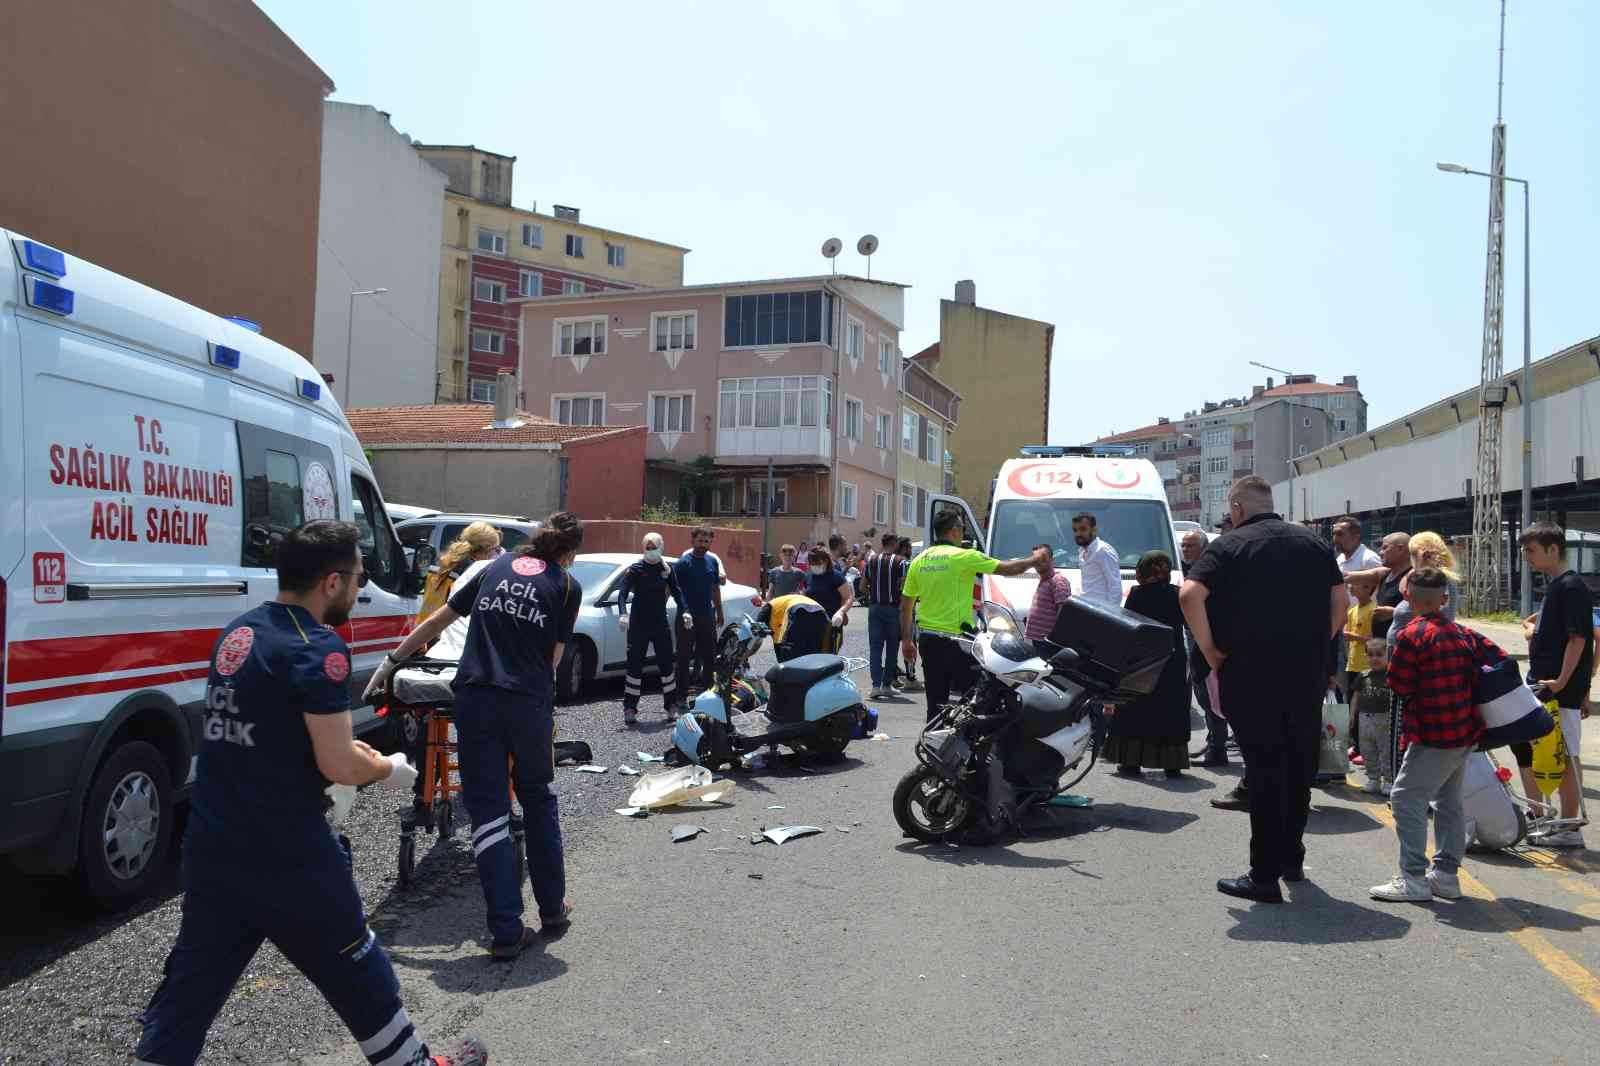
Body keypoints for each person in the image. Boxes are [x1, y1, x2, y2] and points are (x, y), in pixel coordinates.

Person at [137, 521, 487, 1066]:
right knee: (360, 970)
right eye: (357, 578)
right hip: (289, 855)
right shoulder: (317, 649)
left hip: (214, 848)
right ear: (331, 582)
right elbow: (337, 760)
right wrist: (389, 768)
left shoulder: (239, 632)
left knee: (190, 989)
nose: (358, 588)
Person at [370, 513, 583, 959]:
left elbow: (436, 624)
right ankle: (552, 910)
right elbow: (553, 659)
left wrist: (391, 663)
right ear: (569, 553)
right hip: (526, 703)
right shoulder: (566, 586)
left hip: (476, 701)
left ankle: (506, 930)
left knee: (488, 812)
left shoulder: (492, 569)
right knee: (538, 797)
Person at [1181, 476, 1348, 904]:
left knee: (1265, 771)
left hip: (1251, 675)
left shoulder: (1229, 546)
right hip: (1306, 674)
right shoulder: (1313, 544)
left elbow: (1190, 595)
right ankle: (1291, 858)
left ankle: (1263, 876)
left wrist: (1211, 650)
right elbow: (1341, 601)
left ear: (1237, 508)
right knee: (1297, 767)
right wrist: (1319, 642)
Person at [1372, 568, 1508, 901]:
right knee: (1448, 800)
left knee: (1405, 797)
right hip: (1465, 731)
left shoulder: (1410, 635)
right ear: (1445, 600)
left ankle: (1413, 878)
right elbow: (1499, 662)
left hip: (1432, 733)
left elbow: (1398, 683)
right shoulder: (1465, 633)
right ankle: (1446, 875)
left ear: (1408, 597)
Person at [901, 510, 1048, 722]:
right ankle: (969, 747)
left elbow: (906, 605)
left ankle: (934, 746)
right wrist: (1034, 559)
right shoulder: (965, 556)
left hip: (928, 640)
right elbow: (1007, 569)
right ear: (953, 531)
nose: (963, 533)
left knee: (935, 701)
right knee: (977, 698)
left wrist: (906, 640)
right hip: (957, 641)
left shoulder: (919, 560)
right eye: (961, 528)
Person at [1518, 522, 1592, 848]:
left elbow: (1580, 640)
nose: (1526, 556)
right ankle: (1550, 816)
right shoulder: (1557, 586)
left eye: (1531, 550)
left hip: (1558, 688)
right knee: (1548, 751)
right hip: (1549, 685)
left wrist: (1564, 682)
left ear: (1552, 549)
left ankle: (1570, 827)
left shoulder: (1571, 586)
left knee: (1566, 754)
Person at [1105, 551, 1190, 777]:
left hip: (1142, 660)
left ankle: (1131, 762)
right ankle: (1172, 764)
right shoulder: (1177, 594)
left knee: (1136, 709)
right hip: (1172, 659)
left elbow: (1130, 623)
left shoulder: (1137, 593)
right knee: (1170, 710)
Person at [617, 531, 689, 725]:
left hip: (659, 624)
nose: (651, 551)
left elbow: (678, 592)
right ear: (643, 548)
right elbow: (622, 593)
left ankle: (671, 706)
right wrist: (623, 613)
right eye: (648, 548)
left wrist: (686, 611)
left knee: (666, 665)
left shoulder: (666, 570)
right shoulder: (636, 569)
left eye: (654, 547)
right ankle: (630, 708)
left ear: (661, 547)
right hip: (639, 625)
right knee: (634, 667)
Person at [1181, 530, 1228, 769]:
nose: (1185, 549)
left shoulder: (1210, 572)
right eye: (1184, 545)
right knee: (1203, 695)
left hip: (1208, 643)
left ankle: (1218, 749)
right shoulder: (1189, 570)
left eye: (1190, 546)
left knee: (1211, 697)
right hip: (1194, 640)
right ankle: (1213, 741)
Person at [415, 521, 501, 625]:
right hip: (443, 633)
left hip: (424, 627)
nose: (497, 553)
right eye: (496, 549)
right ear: (487, 549)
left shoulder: (444, 561)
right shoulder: (471, 571)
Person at [674, 527, 725, 696]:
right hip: (686, 619)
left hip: (707, 617)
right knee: (684, 657)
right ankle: (681, 696)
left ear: (710, 542)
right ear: (693, 541)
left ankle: (709, 694)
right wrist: (683, 611)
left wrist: (719, 611)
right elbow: (675, 591)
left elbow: (715, 588)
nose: (703, 544)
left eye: (706, 541)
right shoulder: (682, 563)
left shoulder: (712, 562)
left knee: (710, 656)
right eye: (700, 540)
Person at [863, 531, 910, 698]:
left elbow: (862, 586)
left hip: (874, 607)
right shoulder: (901, 562)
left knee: (875, 647)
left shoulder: (871, 560)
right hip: (893, 608)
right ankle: (886, 684)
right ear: (895, 543)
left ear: (883, 543)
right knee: (892, 647)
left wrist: (874, 591)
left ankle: (875, 686)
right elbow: (905, 588)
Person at [1354, 637, 1395, 795]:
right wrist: (1352, 715)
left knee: (1385, 750)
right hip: (1364, 717)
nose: (1375, 658)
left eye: (1379, 654)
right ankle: (1373, 779)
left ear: (1387, 655)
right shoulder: (1363, 676)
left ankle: (1389, 781)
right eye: (1371, 655)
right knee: (1367, 749)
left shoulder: (1391, 675)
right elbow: (1356, 695)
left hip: (1384, 718)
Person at [1343, 572, 1377, 753]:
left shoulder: (1374, 610)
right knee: (1352, 707)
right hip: (1352, 663)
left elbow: (1374, 641)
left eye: (1356, 583)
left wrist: (1354, 636)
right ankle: (1356, 745)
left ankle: (1365, 748)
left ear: (1368, 587)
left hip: (1366, 666)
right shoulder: (1352, 611)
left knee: (1365, 709)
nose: (1351, 586)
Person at [805, 545, 853, 654]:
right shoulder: (809, 576)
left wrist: (841, 612)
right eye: (811, 562)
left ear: (825, 561)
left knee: (828, 656)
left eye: (816, 562)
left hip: (831, 624)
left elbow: (848, 598)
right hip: (811, 624)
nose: (813, 565)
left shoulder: (836, 576)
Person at [756, 592, 830, 661]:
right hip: (820, 612)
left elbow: (757, 626)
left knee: (792, 655)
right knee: (814, 653)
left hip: (798, 611)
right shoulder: (784, 602)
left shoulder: (769, 605)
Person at [1025, 543, 1072, 645]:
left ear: (1052, 559)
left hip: (1048, 642)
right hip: (1039, 641)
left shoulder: (1058, 581)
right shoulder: (1045, 580)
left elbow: (1064, 612)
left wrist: (1053, 637)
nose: (1039, 563)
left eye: (1043, 559)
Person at [1073, 512, 1122, 608]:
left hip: (1102, 613)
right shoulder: (1082, 551)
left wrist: (1109, 616)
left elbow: (1115, 588)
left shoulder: (1103, 550)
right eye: (1075, 530)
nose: (1078, 534)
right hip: (1088, 609)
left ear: (1094, 530)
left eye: (1083, 529)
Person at [895, 537, 924, 691]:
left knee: (893, 643)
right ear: (905, 548)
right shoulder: (906, 564)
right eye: (909, 547)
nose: (911, 550)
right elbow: (908, 587)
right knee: (910, 641)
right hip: (906, 608)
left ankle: (892, 675)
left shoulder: (891, 562)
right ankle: (910, 677)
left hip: (891, 608)